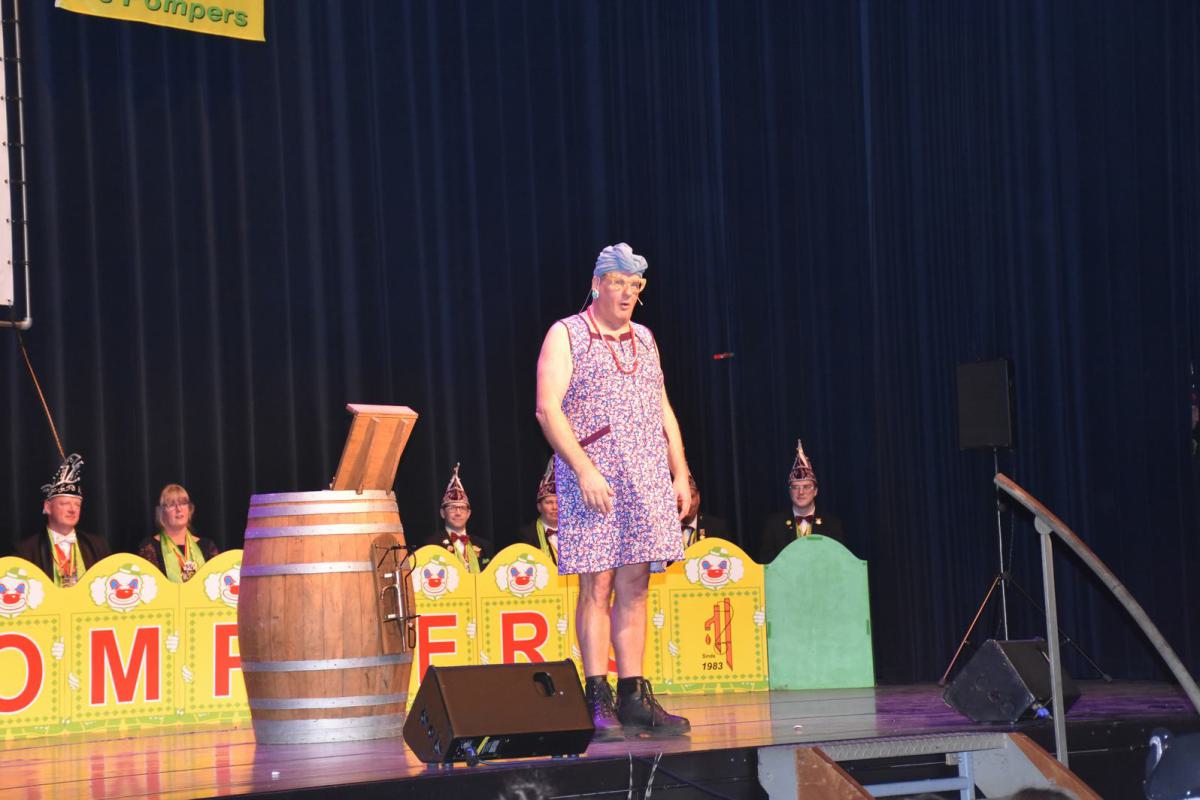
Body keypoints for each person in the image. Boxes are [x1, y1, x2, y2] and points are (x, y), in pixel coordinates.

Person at [535, 242, 691, 740]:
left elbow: (663, 407)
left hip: (646, 477)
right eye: (618, 282)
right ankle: (597, 696)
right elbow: (547, 409)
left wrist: (680, 471)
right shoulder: (567, 334)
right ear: (598, 284)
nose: (626, 293)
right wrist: (583, 470)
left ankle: (634, 696)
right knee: (596, 586)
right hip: (595, 478)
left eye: (635, 285)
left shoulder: (645, 338)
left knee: (636, 585)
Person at [15, 453, 111, 587]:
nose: (72, 509)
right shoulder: (26, 550)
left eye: (77, 504)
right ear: (48, 507)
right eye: (65, 503)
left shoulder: (97, 546)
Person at [757, 440, 846, 563]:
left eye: (806, 487)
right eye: (795, 487)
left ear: (815, 491)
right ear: (789, 491)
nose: (801, 492)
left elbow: (840, 562)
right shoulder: (774, 525)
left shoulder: (832, 525)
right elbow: (765, 564)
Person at [136, 484, 221, 582]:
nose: (179, 509)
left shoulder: (207, 546)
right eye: (171, 505)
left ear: (189, 509)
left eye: (183, 503)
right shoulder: (149, 547)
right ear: (162, 512)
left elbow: (217, 582)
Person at [425, 463, 491, 573]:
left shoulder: (484, 546)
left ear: (468, 514)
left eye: (462, 508)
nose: (458, 513)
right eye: (452, 508)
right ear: (442, 513)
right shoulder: (432, 545)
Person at [516, 457, 560, 565]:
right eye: (549, 502)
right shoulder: (527, 534)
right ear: (539, 507)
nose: (555, 507)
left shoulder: (574, 531)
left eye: (558, 502)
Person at [680, 473, 730, 550]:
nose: (687, 503)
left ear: (698, 498)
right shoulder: (664, 529)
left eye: (691, 497)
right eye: (680, 499)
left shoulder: (716, 528)